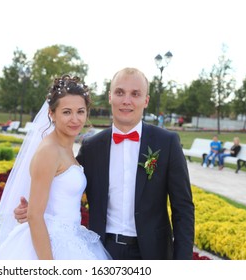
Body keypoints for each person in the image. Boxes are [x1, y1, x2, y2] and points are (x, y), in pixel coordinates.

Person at [15, 67, 195, 260]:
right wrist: (32, 211)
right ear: (110, 97)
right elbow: (67, 185)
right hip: (102, 250)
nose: (126, 101)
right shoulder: (92, 147)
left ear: (146, 100)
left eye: (135, 94)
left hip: (153, 253)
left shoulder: (167, 143)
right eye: (120, 92)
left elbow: (183, 209)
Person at [0, 75, 110, 260]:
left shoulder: (66, 148)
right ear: (52, 114)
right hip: (51, 244)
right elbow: (35, 216)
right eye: (66, 112)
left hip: (72, 237)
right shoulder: (49, 151)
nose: (75, 119)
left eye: (80, 111)